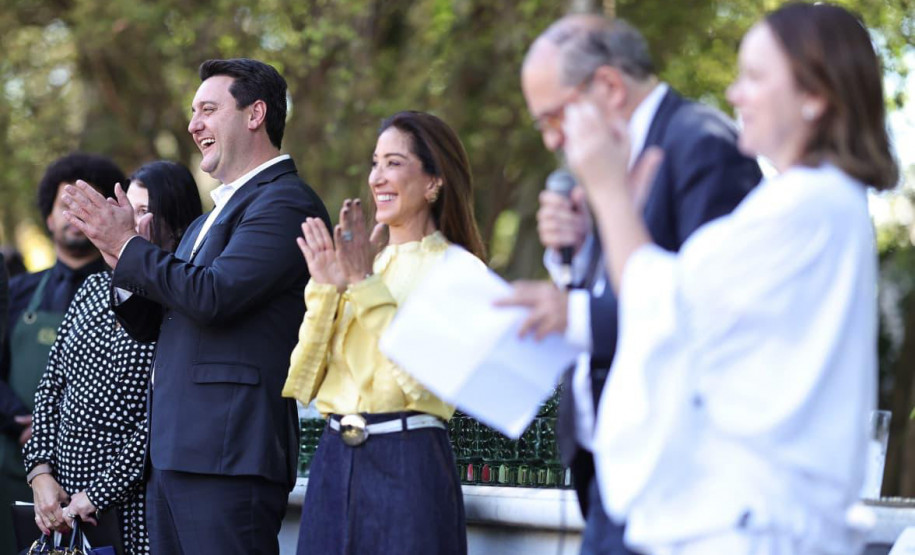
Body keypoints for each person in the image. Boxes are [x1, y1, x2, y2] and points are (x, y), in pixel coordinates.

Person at [561, 3, 897, 553]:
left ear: (815, 96)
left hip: (754, 526)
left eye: (756, 77)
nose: (735, 93)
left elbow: (662, 305)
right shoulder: (815, 203)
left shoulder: (807, 207)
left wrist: (608, 190)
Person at [499, 14, 761, 554]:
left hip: (677, 482)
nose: (551, 139)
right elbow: (619, 284)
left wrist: (570, 314)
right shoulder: (615, 154)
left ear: (609, 87)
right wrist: (573, 255)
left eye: (554, 116)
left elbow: (707, 311)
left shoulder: (703, 145)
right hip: (610, 473)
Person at [61, 58, 331, 554]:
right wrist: (119, 259)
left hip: (230, 455)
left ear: (255, 114)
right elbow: (157, 323)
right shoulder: (208, 221)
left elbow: (214, 296)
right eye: (192, 112)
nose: (193, 125)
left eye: (208, 110)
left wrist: (128, 246)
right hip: (174, 454)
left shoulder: (286, 202)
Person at [282, 110, 485, 555]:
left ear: (434, 182)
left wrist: (363, 285)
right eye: (375, 163)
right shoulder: (361, 263)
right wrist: (327, 289)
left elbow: (425, 380)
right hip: (333, 461)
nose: (377, 177)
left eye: (394, 163)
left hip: (409, 461)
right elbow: (303, 382)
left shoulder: (462, 270)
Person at [23, 161, 203, 555]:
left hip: (135, 506)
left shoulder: (182, 301)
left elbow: (162, 420)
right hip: (61, 502)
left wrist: (97, 495)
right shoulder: (92, 288)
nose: (125, 221)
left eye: (142, 211)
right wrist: (40, 473)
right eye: (123, 209)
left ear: (176, 225)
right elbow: (51, 387)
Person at [0, 153, 124, 554]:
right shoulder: (17, 292)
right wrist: (20, 421)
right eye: (66, 205)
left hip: (97, 484)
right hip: (14, 466)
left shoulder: (129, 295)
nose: (75, 216)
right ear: (49, 218)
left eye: (87, 205)